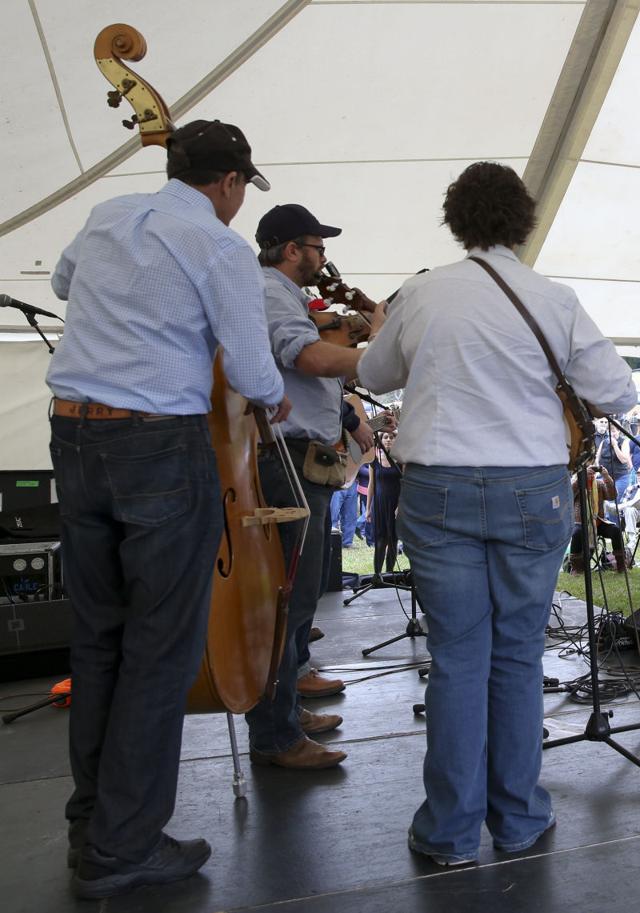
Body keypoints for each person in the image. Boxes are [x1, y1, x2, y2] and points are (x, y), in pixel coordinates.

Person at [356, 161, 636, 866]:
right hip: (530, 489)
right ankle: (517, 818)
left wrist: (392, 329)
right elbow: (619, 391)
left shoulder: (421, 293)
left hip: (439, 484)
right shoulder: (554, 297)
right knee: (517, 655)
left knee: (456, 658)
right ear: (523, 221)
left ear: (457, 223)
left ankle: (449, 831)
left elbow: (371, 375)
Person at [46, 119, 290, 899]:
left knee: (100, 643)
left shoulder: (109, 215)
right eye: (241, 193)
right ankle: (123, 848)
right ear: (228, 184)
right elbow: (253, 368)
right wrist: (277, 397)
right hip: (156, 445)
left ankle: (94, 826)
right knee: (161, 651)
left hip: (75, 437)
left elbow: (60, 284)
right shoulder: (220, 250)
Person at [245, 203, 374, 769]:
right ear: (293, 249)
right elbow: (308, 355)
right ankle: (274, 734)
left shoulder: (288, 296)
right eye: (317, 247)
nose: (324, 258)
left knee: (298, 601)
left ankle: (286, 713)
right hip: (289, 462)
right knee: (287, 601)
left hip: (301, 460)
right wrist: (377, 359)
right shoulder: (274, 293)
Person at [366, 430, 403, 579]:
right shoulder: (374, 460)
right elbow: (371, 485)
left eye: (392, 437)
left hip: (395, 504)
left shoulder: (400, 461)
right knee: (380, 541)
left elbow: (405, 484)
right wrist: (368, 509)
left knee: (393, 540)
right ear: (381, 440)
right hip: (380, 504)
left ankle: (389, 574)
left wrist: (400, 506)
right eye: (385, 437)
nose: (388, 440)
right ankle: (377, 575)